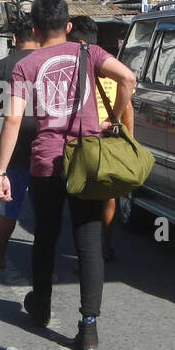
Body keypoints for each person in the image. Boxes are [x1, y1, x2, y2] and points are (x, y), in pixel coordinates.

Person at [0, 0, 136, 350]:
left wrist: (1, 171)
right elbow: (129, 79)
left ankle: (40, 305)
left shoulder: (25, 65)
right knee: (88, 242)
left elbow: (13, 119)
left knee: (46, 234)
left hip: (46, 161)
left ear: (36, 29)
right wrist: (114, 118)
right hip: (86, 162)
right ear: (69, 26)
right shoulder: (89, 53)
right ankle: (88, 327)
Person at [66, 16, 133, 261]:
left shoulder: (79, 65)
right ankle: (105, 245)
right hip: (110, 138)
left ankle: (90, 251)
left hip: (86, 140)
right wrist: (127, 137)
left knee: (82, 197)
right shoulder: (111, 64)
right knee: (108, 195)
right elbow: (129, 109)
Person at [0, 17, 39, 269]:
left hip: (16, 147)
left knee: (10, 204)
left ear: (14, 39)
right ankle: (47, 267)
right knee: (45, 210)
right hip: (49, 147)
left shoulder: (4, 65)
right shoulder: (51, 62)